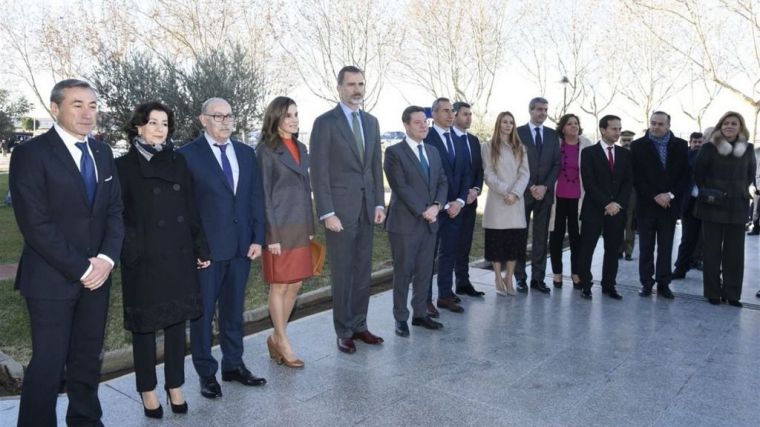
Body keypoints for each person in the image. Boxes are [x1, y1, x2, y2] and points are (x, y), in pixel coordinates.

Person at [9, 79, 124, 426]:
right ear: (55, 109)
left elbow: (115, 212)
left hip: (98, 277)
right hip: (50, 279)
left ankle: (86, 420)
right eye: (77, 104)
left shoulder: (103, 152)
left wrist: (105, 261)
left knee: (88, 359)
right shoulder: (31, 154)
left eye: (92, 105)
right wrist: (82, 269)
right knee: (48, 363)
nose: (87, 113)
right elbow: (36, 225)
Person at [116, 101, 211, 418]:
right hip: (143, 259)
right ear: (139, 126)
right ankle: (147, 389)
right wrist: (131, 249)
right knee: (144, 328)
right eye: (153, 123)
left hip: (178, 253)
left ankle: (175, 385)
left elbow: (191, 207)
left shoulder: (178, 161)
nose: (160, 129)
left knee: (176, 323)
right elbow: (116, 216)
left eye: (165, 123)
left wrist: (201, 247)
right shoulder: (123, 167)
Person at [180, 97, 267, 399]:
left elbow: (255, 197)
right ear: (203, 119)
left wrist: (258, 237)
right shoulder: (187, 156)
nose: (225, 121)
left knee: (233, 311)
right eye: (217, 116)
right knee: (203, 315)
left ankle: (233, 364)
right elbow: (184, 210)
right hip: (206, 252)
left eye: (229, 115)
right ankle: (207, 373)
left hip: (242, 247)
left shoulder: (245, 153)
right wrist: (195, 249)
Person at [310, 66, 386, 354]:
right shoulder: (325, 123)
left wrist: (379, 202)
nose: (357, 89)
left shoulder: (371, 122)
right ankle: (343, 330)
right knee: (342, 274)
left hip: (367, 210)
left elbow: (374, 167)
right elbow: (319, 171)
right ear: (340, 87)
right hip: (339, 213)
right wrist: (327, 212)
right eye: (351, 84)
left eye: (361, 84)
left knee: (362, 271)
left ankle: (360, 325)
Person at [256, 97, 314, 367]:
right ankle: (282, 340)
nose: (293, 119)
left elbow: (306, 190)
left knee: (296, 283)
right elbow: (264, 195)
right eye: (288, 115)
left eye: (296, 114)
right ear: (276, 118)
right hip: (279, 228)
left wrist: (311, 228)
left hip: (300, 226)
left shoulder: (301, 147)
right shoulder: (266, 150)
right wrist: (272, 236)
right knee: (279, 285)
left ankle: (277, 337)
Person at [384, 106, 448, 336]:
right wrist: (424, 210)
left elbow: (442, 181)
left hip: (430, 223)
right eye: (418, 122)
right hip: (405, 224)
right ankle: (400, 317)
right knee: (403, 272)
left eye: (426, 122)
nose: (424, 126)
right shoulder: (394, 153)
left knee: (425, 270)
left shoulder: (432, 151)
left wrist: (437, 206)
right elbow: (400, 187)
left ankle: (420, 314)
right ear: (406, 125)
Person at [694, 112, 756, 306]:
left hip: (738, 206)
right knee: (711, 252)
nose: (729, 126)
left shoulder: (748, 149)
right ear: (720, 126)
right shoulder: (708, 148)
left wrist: (739, 191)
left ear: (740, 127)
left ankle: (732, 294)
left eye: (734, 123)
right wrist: (713, 192)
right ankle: (712, 292)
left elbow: (750, 175)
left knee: (735, 254)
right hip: (712, 205)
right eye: (726, 123)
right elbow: (698, 175)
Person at [630, 111, 689, 299]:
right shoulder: (638, 146)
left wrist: (670, 195)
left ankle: (664, 284)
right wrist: (655, 195)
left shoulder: (680, 145)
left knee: (665, 247)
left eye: (660, 124)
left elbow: (684, 176)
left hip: (669, 206)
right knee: (646, 247)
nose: (655, 127)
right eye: (653, 123)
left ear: (668, 126)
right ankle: (646, 283)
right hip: (647, 205)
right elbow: (636, 177)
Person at [424, 97, 472, 314]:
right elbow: (427, 176)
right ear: (433, 115)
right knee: (427, 256)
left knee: (449, 254)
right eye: (445, 111)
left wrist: (460, 201)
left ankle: (445, 295)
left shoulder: (459, 138)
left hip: (456, 210)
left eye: (452, 110)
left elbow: (466, 173)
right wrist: (442, 204)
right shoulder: (427, 138)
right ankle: (424, 300)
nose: (450, 114)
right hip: (433, 209)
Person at [577, 115, 633, 300]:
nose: (618, 132)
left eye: (619, 128)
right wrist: (606, 203)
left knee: (613, 250)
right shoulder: (589, 153)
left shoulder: (625, 154)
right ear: (603, 130)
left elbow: (627, 183)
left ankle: (609, 285)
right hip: (594, 209)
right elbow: (589, 182)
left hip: (617, 211)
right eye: (614, 129)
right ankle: (585, 284)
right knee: (587, 249)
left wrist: (617, 204)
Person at [515, 97, 561, 293]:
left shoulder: (552, 134)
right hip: (524, 193)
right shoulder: (518, 133)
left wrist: (545, 187)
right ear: (530, 110)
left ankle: (538, 279)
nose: (543, 113)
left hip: (545, 194)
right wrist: (532, 186)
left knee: (541, 237)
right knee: (520, 236)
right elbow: (514, 163)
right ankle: (520, 277)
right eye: (540, 109)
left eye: (546, 109)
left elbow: (557, 164)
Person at [481, 112, 530, 296]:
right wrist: (505, 191)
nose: (508, 125)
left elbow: (525, 173)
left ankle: (509, 277)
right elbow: (488, 174)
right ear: (498, 124)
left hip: (515, 202)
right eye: (504, 122)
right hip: (498, 200)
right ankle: (497, 277)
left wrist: (515, 193)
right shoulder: (488, 147)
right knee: (497, 243)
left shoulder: (520, 148)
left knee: (513, 243)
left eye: (511, 122)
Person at [548, 113, 592, 289]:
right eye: (569, 124)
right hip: (558, 198)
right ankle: (557, 273)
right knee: (556, 237)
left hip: (578, 198)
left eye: (576, 123)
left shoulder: (586, 144)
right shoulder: (556, 144)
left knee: (577, 238)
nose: (574, 126)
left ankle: (576, 273)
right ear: (563, 127)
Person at [451, 101, 484, 297]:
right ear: (454, 116)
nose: (469, 117)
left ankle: (463, 282)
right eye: (465, 114)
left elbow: (479, 169)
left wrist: (476, 189)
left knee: (465, 244)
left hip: (471, 202)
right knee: (449, 247)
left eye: (470, 114)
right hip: (453, 202)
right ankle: (446, 289)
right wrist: (462, 195)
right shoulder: (447, 139)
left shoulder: (473, 140)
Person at [673, 132, 705, 279]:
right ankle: (680, 268)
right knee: (688, 238)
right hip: (690, 203)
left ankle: (703, 265)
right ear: (690, 142)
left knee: (707, 239)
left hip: (708, 203)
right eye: (695, 142)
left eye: (700, 142)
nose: (697, 144)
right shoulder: (686, 156)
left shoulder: (711, 156)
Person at [619, 130, 637, 260]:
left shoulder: (637, 155)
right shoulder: (615, 153)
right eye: (624, 140)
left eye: (629, 140)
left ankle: (629, 250)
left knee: (630, 222)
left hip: (632, 192)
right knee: (618, 221)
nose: (626, 143)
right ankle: (619, 249)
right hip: (618, 192)